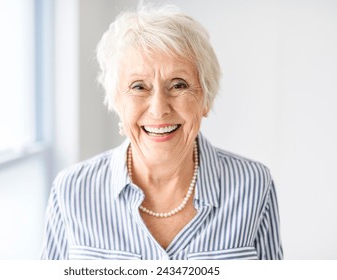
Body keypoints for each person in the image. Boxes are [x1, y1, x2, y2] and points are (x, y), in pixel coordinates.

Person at [41, 5, 283, 260]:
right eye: (139, 87)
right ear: (117, 102)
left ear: (205, 99)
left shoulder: (254, 185)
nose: (159, 109)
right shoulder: (71, 190)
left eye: (178, 85)